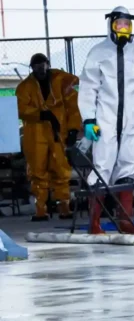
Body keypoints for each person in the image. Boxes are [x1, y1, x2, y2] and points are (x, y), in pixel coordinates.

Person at [78, 6, 134, 233]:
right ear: (111, 25)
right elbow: (88, 88)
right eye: (119, 24)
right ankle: (94, 223)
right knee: (102, 166)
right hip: (105, 119)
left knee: (131, 165)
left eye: (127, 24)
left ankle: (125, 221)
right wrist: (88, 119)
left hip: (133, 120)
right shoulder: (98, 53)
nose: (123, 28)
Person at [16, 53, 82, 221]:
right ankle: (40, 209)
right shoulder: (24, 87)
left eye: (43, 64)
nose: (41, 68)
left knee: (61, 169)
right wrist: (41, 114)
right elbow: (21, 109)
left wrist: (73, 130)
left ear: (48, 64)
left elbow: (73, 108)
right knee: (37, 171)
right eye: (36, 65)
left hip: (58, 134)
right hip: (35, 134)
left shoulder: (62, 82)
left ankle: (64, 206)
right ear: (32, 68)